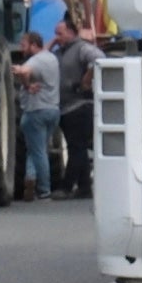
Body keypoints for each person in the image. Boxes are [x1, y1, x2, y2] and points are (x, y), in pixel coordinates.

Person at [52, 18, 102, 199]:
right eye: (55, 33)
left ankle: (66, 187)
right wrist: (52, 43)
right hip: (65, 107)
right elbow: (40, 58)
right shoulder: (59, 52)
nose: (57, 37)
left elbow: (99, 59)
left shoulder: (81, 48)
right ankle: (84, 188)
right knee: (77, 148)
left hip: (79, 106)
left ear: (71, 32)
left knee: (76, 148)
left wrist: (86, 80)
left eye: (60, 33)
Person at [15, 29, 60, 202]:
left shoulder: (35, 61)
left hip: (36, 111)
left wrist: (26, 86)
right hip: (53, 110)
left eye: (24, 44)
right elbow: (45, 48)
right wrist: (54, 40)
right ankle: (30, 178)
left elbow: (23, 72)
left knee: (38, 151)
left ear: (33, 45)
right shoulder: (51, 58)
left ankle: (44, 189)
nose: (21, 48)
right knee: (36, 149)